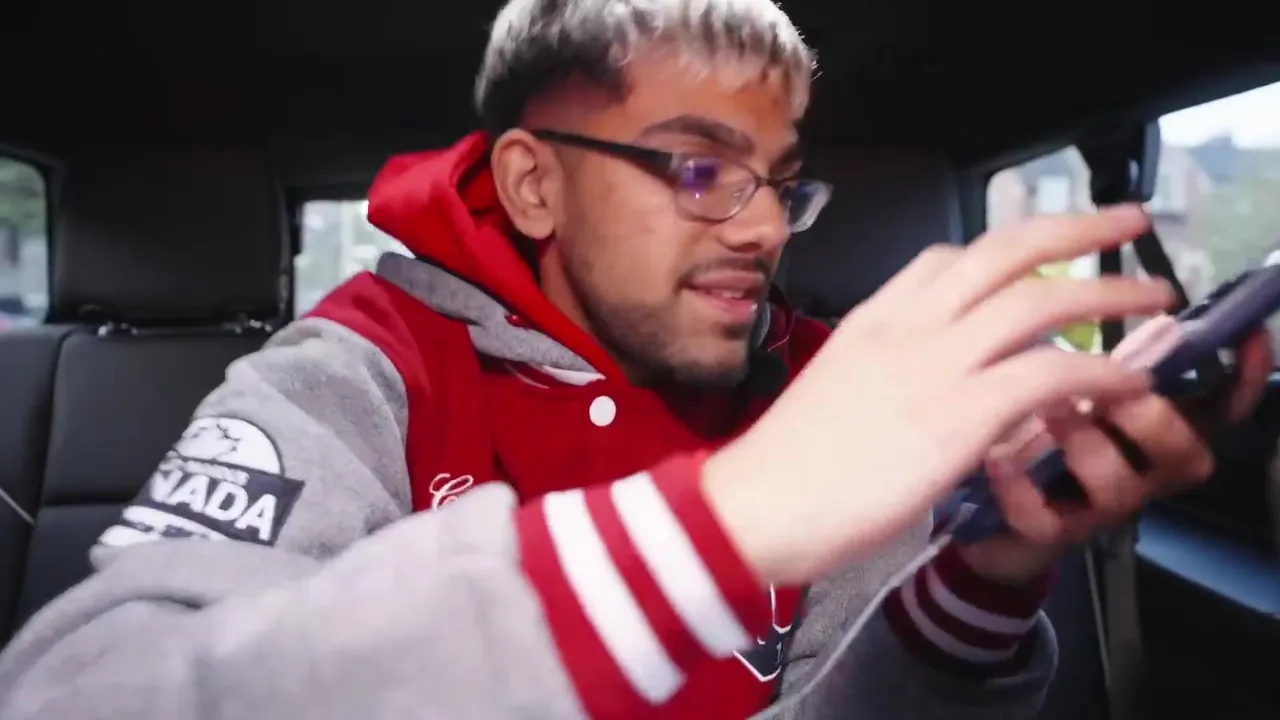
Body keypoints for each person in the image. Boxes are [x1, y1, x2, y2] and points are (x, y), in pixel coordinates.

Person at [0, 0, 1272, 718]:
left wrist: (978, 585)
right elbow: (84, 695)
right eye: (699, 169)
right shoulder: (361, 369)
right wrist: (718, 525)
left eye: (780, 183)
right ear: (534, 186)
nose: (764, 229)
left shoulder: (839, 391)